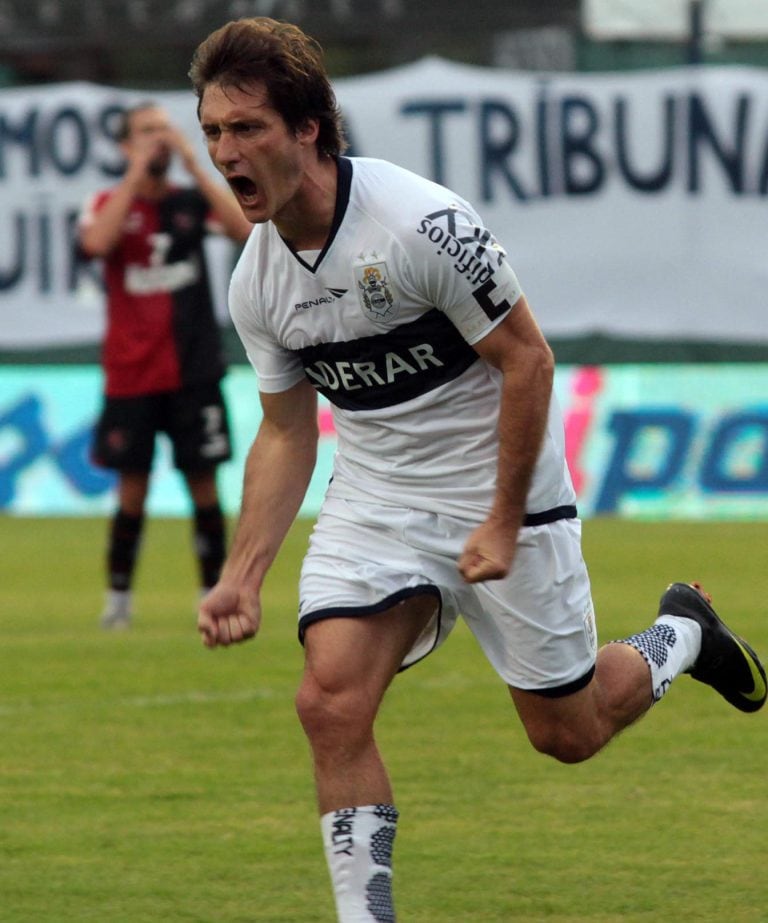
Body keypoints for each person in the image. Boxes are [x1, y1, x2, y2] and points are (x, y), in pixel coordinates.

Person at [189, 18, 767, 922]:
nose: (227, 151)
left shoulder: (421, 224)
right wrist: (242, 573)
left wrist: (500, 518)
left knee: (567, 734)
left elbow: (528, 361)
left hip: (503, 492)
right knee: (327, 699)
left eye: (247, 128)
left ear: (307, 127)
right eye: (214, 131)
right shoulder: (257, 281)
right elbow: (287, 432)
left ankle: (681, 633)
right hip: (377, 499)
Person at [78, 102, 253, 629]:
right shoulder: (106, 202)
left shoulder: (190, 201)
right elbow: (96, 243)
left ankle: (213, 594)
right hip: (131, 373)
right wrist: (136, 173)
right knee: (132, 487)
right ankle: (118, 603)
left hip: (194, 368)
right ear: (126, 145)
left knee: (204, 484)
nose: (158, 139)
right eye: (145, 132)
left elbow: (246, 230)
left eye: (163, 129)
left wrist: (197, 165)